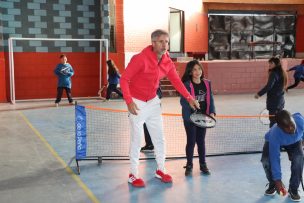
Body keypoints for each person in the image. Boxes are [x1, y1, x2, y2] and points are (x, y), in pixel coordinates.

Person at [120, 29, 199, 187]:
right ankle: (133, 174)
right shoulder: (140, 59)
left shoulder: (167, 61)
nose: (165, 45)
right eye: (162, 41)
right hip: (137, 102)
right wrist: (129, 101)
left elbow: (176, 81)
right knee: (136, 140)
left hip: (153, 103)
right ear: (153, 43)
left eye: (167, 42)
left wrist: (189, 98)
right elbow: (124, 79)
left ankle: (160, 170)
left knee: (159, 138)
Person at [180, 60, 216, 176]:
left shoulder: (207, 83)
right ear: (190, 72)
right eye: (194, 69)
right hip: (190, 118)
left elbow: (210, 97)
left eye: (199, 69)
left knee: (201, 142)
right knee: (191, 142)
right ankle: (189, 165)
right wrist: (191, 105)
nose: (197, 72)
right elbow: (183, 101)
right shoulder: (186, 85)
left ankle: (203, 164)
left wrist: (212, 111)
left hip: (203, 117)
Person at [261, 110, 304, 202]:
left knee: (299, 159)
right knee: (266, 160)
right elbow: (275, 158)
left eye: (292, 124)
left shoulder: (300, 121)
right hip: (275, 141)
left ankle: (293, 189)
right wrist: (277, 180)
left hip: (295, 142)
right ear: (280, 127)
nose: (291, 128)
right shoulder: (275, 134)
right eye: (287, 127)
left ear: (293, 119)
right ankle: (273, 184)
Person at [254, 57, 288, 128]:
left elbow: (269, 86)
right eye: (269, 63)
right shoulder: (282, 72)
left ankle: (272, 137)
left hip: (274, 102)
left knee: (273, 120)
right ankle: (278, 134)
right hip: (280, 101)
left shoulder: (273, 73)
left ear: (276, 64)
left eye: (271, 63)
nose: (269, 64)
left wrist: (259, 94)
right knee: (278, 119)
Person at [140, 86, 162, 152]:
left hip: (152, 108)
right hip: (147, 107)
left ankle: (152, 145)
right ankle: (150, 144)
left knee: (151, 126)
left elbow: (159, 95)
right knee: (147, 126)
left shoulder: (154, 83)